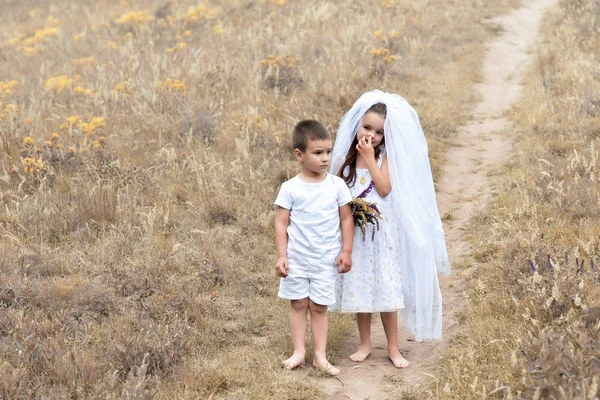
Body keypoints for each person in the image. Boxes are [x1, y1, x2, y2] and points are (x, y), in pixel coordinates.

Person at [330, 90, 450, 368]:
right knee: (360, 288)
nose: (371, 135)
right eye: (367, 128)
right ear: (357, 125)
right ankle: (364, 344)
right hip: (355, 235)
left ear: (385, 137)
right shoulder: (345, 159)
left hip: (381, 233)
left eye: (379, 132)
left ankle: (393, 348)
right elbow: (335, 190)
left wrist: (371, 158)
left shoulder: (384, 158)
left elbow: (384, 189)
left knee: (385, 288)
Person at [274, 119, 354, 376]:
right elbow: (281, 223)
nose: (325, 159)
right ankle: (299, 352)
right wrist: (281, 256)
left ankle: (320, 355)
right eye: (318, 153)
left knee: (319, 307)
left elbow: (346, 219)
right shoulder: (290, 188)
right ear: (300, 155)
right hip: (297, 258)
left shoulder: (336, 185)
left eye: (328, 152)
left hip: (325, 259)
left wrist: (347, 251)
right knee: (298, 303)